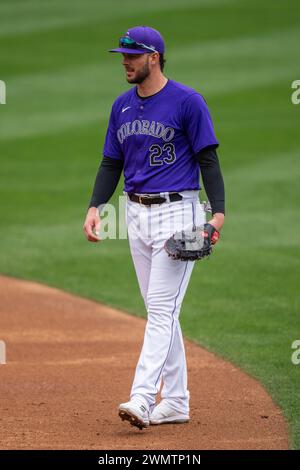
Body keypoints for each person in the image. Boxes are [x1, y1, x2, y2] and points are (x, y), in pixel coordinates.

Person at [83, 26, 225, 430]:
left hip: (178, 215)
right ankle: (176, 401)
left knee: (161, 310)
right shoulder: (121, 106)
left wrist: (217, 217)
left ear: (155, 57)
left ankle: (144, 398)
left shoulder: (187, 102)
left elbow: (209, 160)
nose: (124, 61)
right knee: (162, 311)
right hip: (136, 215)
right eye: (122, 55)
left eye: (132, 55)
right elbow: (112, 162)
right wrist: (95, 205)